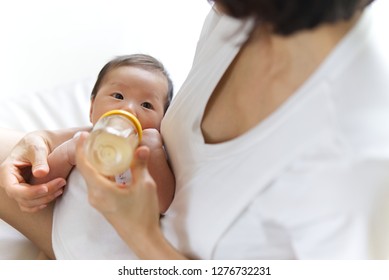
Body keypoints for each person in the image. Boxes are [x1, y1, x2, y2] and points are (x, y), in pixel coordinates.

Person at [1, 0, 389, 259]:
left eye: (148, 105)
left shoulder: (355, 165)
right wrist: (45, 140)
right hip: (78, 223)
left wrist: (140, 232)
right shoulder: (235, 15)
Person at [0, 54, 175, 259]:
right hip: (59, 236)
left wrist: (153, 155)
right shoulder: (81, 139)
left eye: (146, 105)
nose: (128, 109)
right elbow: (42, 187)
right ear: (92, 109)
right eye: (118, 96)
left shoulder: (149, 153)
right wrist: (67, 155)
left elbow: (165, 204)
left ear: (162, 122)